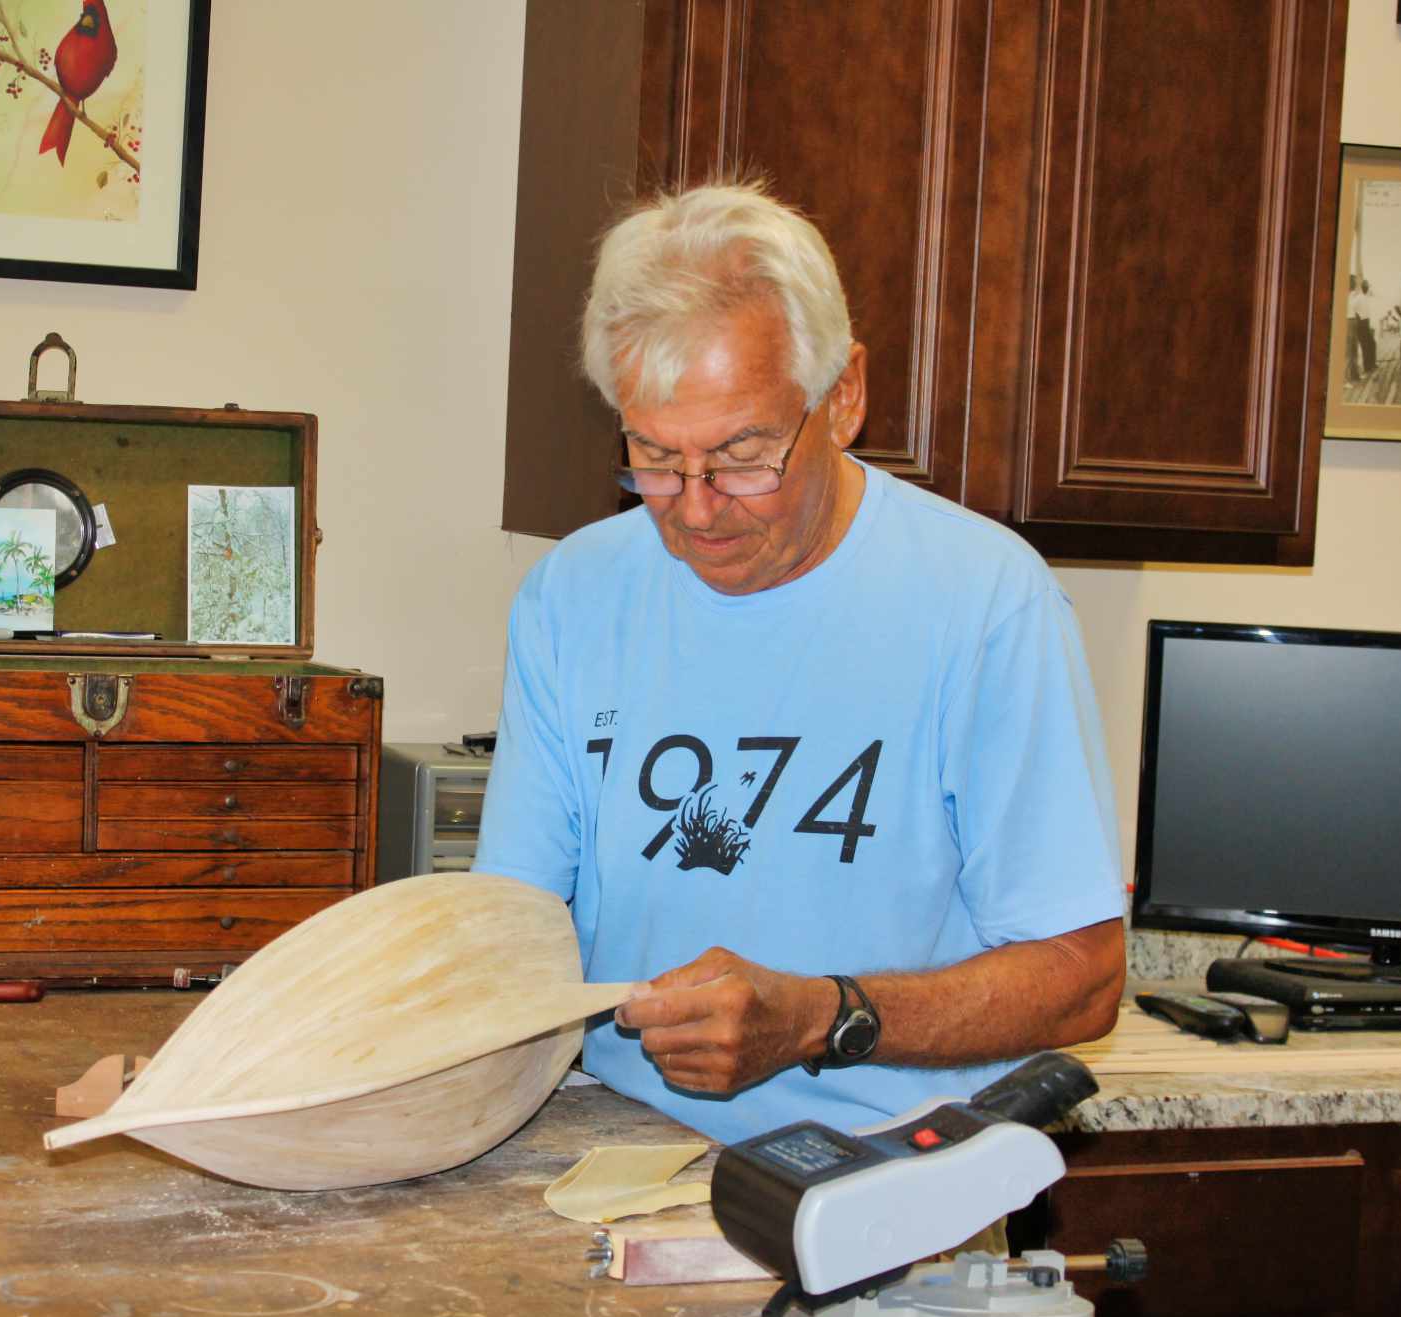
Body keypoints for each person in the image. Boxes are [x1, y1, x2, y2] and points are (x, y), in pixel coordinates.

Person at [472, 181, 1126, 1159]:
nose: (694, 511)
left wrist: (824, 1016)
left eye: (742, 456)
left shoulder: (985, 604)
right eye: (653, 458)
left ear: (843, 395)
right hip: (614, 1148)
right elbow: (510, 931)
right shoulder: (571, 597)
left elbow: (1083, 976)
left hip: (887, 1169)